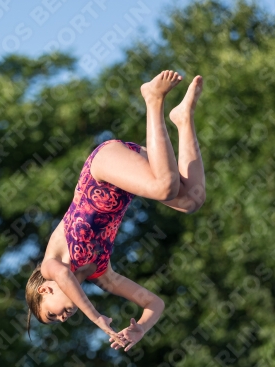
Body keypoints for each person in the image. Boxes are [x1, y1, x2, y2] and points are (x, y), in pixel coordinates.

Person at [26, 70, 206, 352]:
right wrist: (141, 329)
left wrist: (97, 317)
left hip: (102, 168)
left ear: (43, 290)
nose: (61, 319)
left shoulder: (52, 266)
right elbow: (154, 303)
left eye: (51, 314)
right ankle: (183, 119)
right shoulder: (102, 275)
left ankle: (152, 98)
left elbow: (64, 278)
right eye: (58, 320)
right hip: (126, 179)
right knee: (191, 201)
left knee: (165, 188)